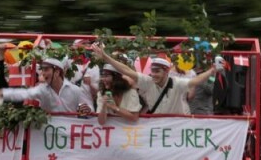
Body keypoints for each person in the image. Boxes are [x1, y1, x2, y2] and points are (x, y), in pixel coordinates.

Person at [90, 44, 221, 115]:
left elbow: (195, 82)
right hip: (158, 127)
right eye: (152, 71)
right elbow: (127, 71)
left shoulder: (177, 83)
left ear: (166, 71)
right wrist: (105, 57)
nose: (153, 74)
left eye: (157, 71)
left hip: (178, 126)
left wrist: (211, 71)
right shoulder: (148, 81)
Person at [0, 57, 93, 114]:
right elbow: (23, 93)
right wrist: (2, 93)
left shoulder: (75, 90)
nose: (42, 73)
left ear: (57, 73)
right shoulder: (42, 90)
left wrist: (86, 110)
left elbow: (90, 110)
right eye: (42, 70)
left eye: (46, 70)